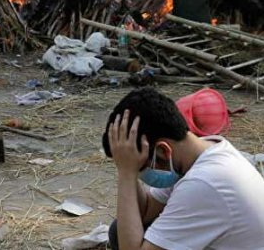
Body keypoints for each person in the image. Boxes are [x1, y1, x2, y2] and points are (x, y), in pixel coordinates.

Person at [102, 87, 264, 250]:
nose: (139, 173)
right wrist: (126, 166)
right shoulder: (203, 152)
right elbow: (145, 213)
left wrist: (127, 173)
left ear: (164, 151)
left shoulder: (204, 183)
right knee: (120, 231)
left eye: (141, 168)